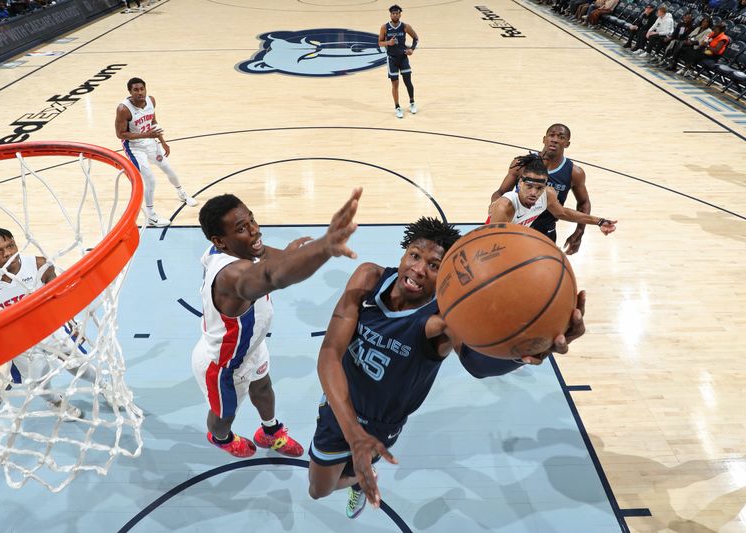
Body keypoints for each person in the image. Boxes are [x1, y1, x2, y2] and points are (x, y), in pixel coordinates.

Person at [307, 217, 589, 519]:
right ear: (403, 252)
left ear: (447, 276)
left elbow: (477, 365)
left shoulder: (442, 321)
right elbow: (330, 353)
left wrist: (523, 353)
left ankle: (361, 478)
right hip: (341, 404)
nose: (418, 269)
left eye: (433, 265)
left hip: (382, 423)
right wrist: (353, 434)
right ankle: (361, 476)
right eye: (415, 255)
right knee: (319, 490)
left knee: (349, 470)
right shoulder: (369, 278)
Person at [192, 188, 363, 458]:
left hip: (251, 345)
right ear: (221, 242)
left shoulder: (237, 248)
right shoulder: (231, 277)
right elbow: (273, 276)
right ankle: (220, 437)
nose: (254, 230)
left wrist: (295, 254)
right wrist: (324, 247)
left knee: (263, 387)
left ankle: (269, 431)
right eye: (241, 228)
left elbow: (273, 258)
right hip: (224, 363)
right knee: (223, 416)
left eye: (251, 219)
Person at [0, 228, 113, 418]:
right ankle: (55, 402)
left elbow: (59, 297)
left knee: (76, 361)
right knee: (38, 380)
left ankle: (104, 385)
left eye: (10, 246)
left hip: (50, 327)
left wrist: (71, 322)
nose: (7, 254)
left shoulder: (39, 265)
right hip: (16, 340)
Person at [490, 124, 592, 254]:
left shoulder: (574, 172)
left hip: (545, 231)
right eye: (551, 135)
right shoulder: (521, 164)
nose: (555, 139)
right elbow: (500, 192)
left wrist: (579, 233)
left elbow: (584, 203)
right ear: (544, 139)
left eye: (561, 137)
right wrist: (495, 204)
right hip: (516, 227)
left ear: (567, 144)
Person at [115, 77, 198, 228]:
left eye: (142, 89)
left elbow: (153, 122)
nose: (140, 92)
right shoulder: (123, 109)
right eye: (136, 90)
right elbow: (120, 134)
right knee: (150, 180)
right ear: (130, 92)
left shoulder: (151, 101)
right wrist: (147, 135)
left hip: (151, 142)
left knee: (169, 169)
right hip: (134, 148)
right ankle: (151, 215)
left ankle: (181, 193)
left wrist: (163, 141)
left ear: (146, 89)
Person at [487, 154, 617, 236]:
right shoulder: (505, 206)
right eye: (529, 186)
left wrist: (599, 221)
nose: (534, 193)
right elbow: (494, 245)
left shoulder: (547, 194)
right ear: (520, 183)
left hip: (516, 237)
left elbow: (564, 213)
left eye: (539, 188)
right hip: (490, 244)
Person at [378, 4, 419, 119]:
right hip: (392, 59)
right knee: (395, 84)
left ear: (400, 14)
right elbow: (380, 42)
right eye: (393, 13)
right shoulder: (384, 27)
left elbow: (416, 38)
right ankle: (397, 107)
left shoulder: (405, 26)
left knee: (408, 82)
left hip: (403, 58)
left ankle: (412, 102)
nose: (395, 15)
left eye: (397, 13)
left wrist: (412, 49)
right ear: (390, 14)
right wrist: (388, 43)